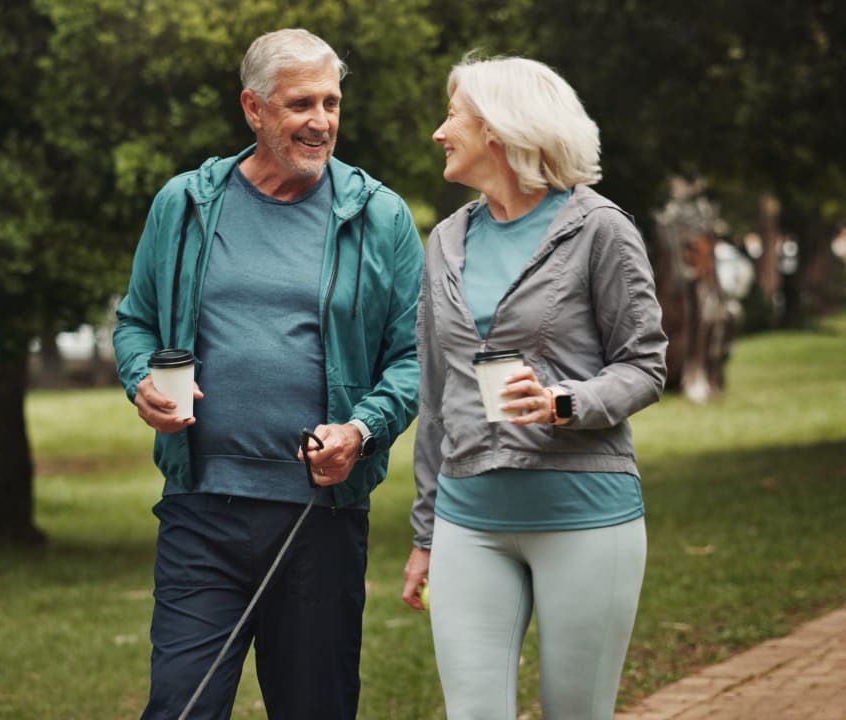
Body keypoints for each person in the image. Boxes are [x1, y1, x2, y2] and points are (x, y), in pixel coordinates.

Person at [113, 28, 424, 720]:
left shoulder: (381, 217)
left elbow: (415, 358)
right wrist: (141, 378)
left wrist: (362, 429)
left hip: (320, 519)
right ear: (254, 110)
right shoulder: (186, 205)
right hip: (202, 508)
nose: (321, 122)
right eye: (300, 105)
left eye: (332, 103)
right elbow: (135, 321)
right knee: (179, 706)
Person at [401, 54, 668, 720]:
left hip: (583, 514)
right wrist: (426, 532)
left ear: (499, 128)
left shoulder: (599, 229)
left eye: (452, 114)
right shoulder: (447, 241)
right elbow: (436, 398)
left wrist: (566, 404)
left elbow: (645, 363)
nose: (440, 131)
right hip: (469, 520)